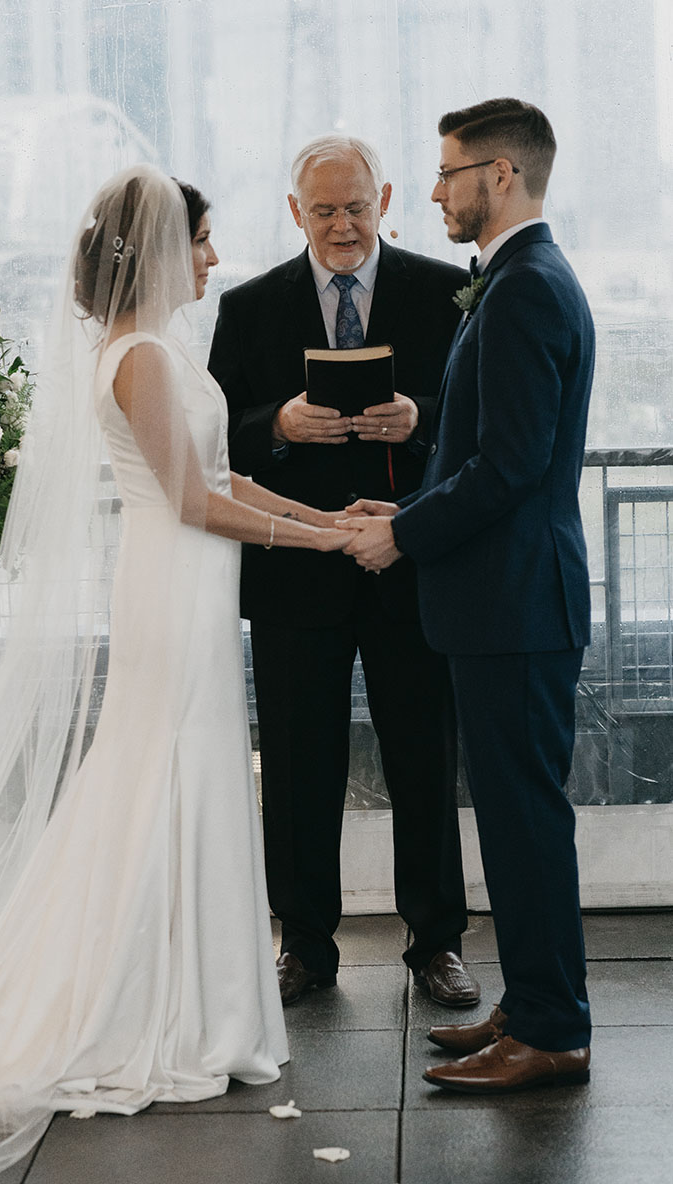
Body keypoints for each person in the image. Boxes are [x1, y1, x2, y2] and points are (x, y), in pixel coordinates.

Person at [0, 165, 352, 1183]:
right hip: (172, 587)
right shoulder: (144, 356)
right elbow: (191, 503)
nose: (212, 257)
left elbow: (222, 477)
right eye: (201, 240)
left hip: (191, 587)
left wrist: (318, 521)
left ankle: (196, 995)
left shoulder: (156, 349)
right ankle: (152, 1002)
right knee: (164, 773)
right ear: (163, 247)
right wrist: (321, 547)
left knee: (188, 773)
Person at [340, 99, 595, 1093]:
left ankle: (553, 1030)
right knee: (513, 819)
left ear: (498, 175)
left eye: (446, 174)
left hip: (516, 607)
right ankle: (532, 1005)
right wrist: (395, 500)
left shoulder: (526, 286)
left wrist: (399, 533)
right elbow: (481, 452)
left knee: (525, 824)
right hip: (503, 604)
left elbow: (511, 468)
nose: (436, 193)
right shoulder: (516, 279)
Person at [208, 135, 480, 1007]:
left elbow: (479, 420)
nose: (342, 225)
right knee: (294, 766)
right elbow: (211, 441)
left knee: (423, 759)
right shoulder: (250, 307)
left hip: (409, 562)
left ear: (386, 198)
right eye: (322, 210)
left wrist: (421, 416)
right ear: (295, 212)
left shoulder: (447, 291)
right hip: (295, 575)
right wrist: (279, 424)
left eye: (356, 207)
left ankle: (436, 943)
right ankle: (305, 948)